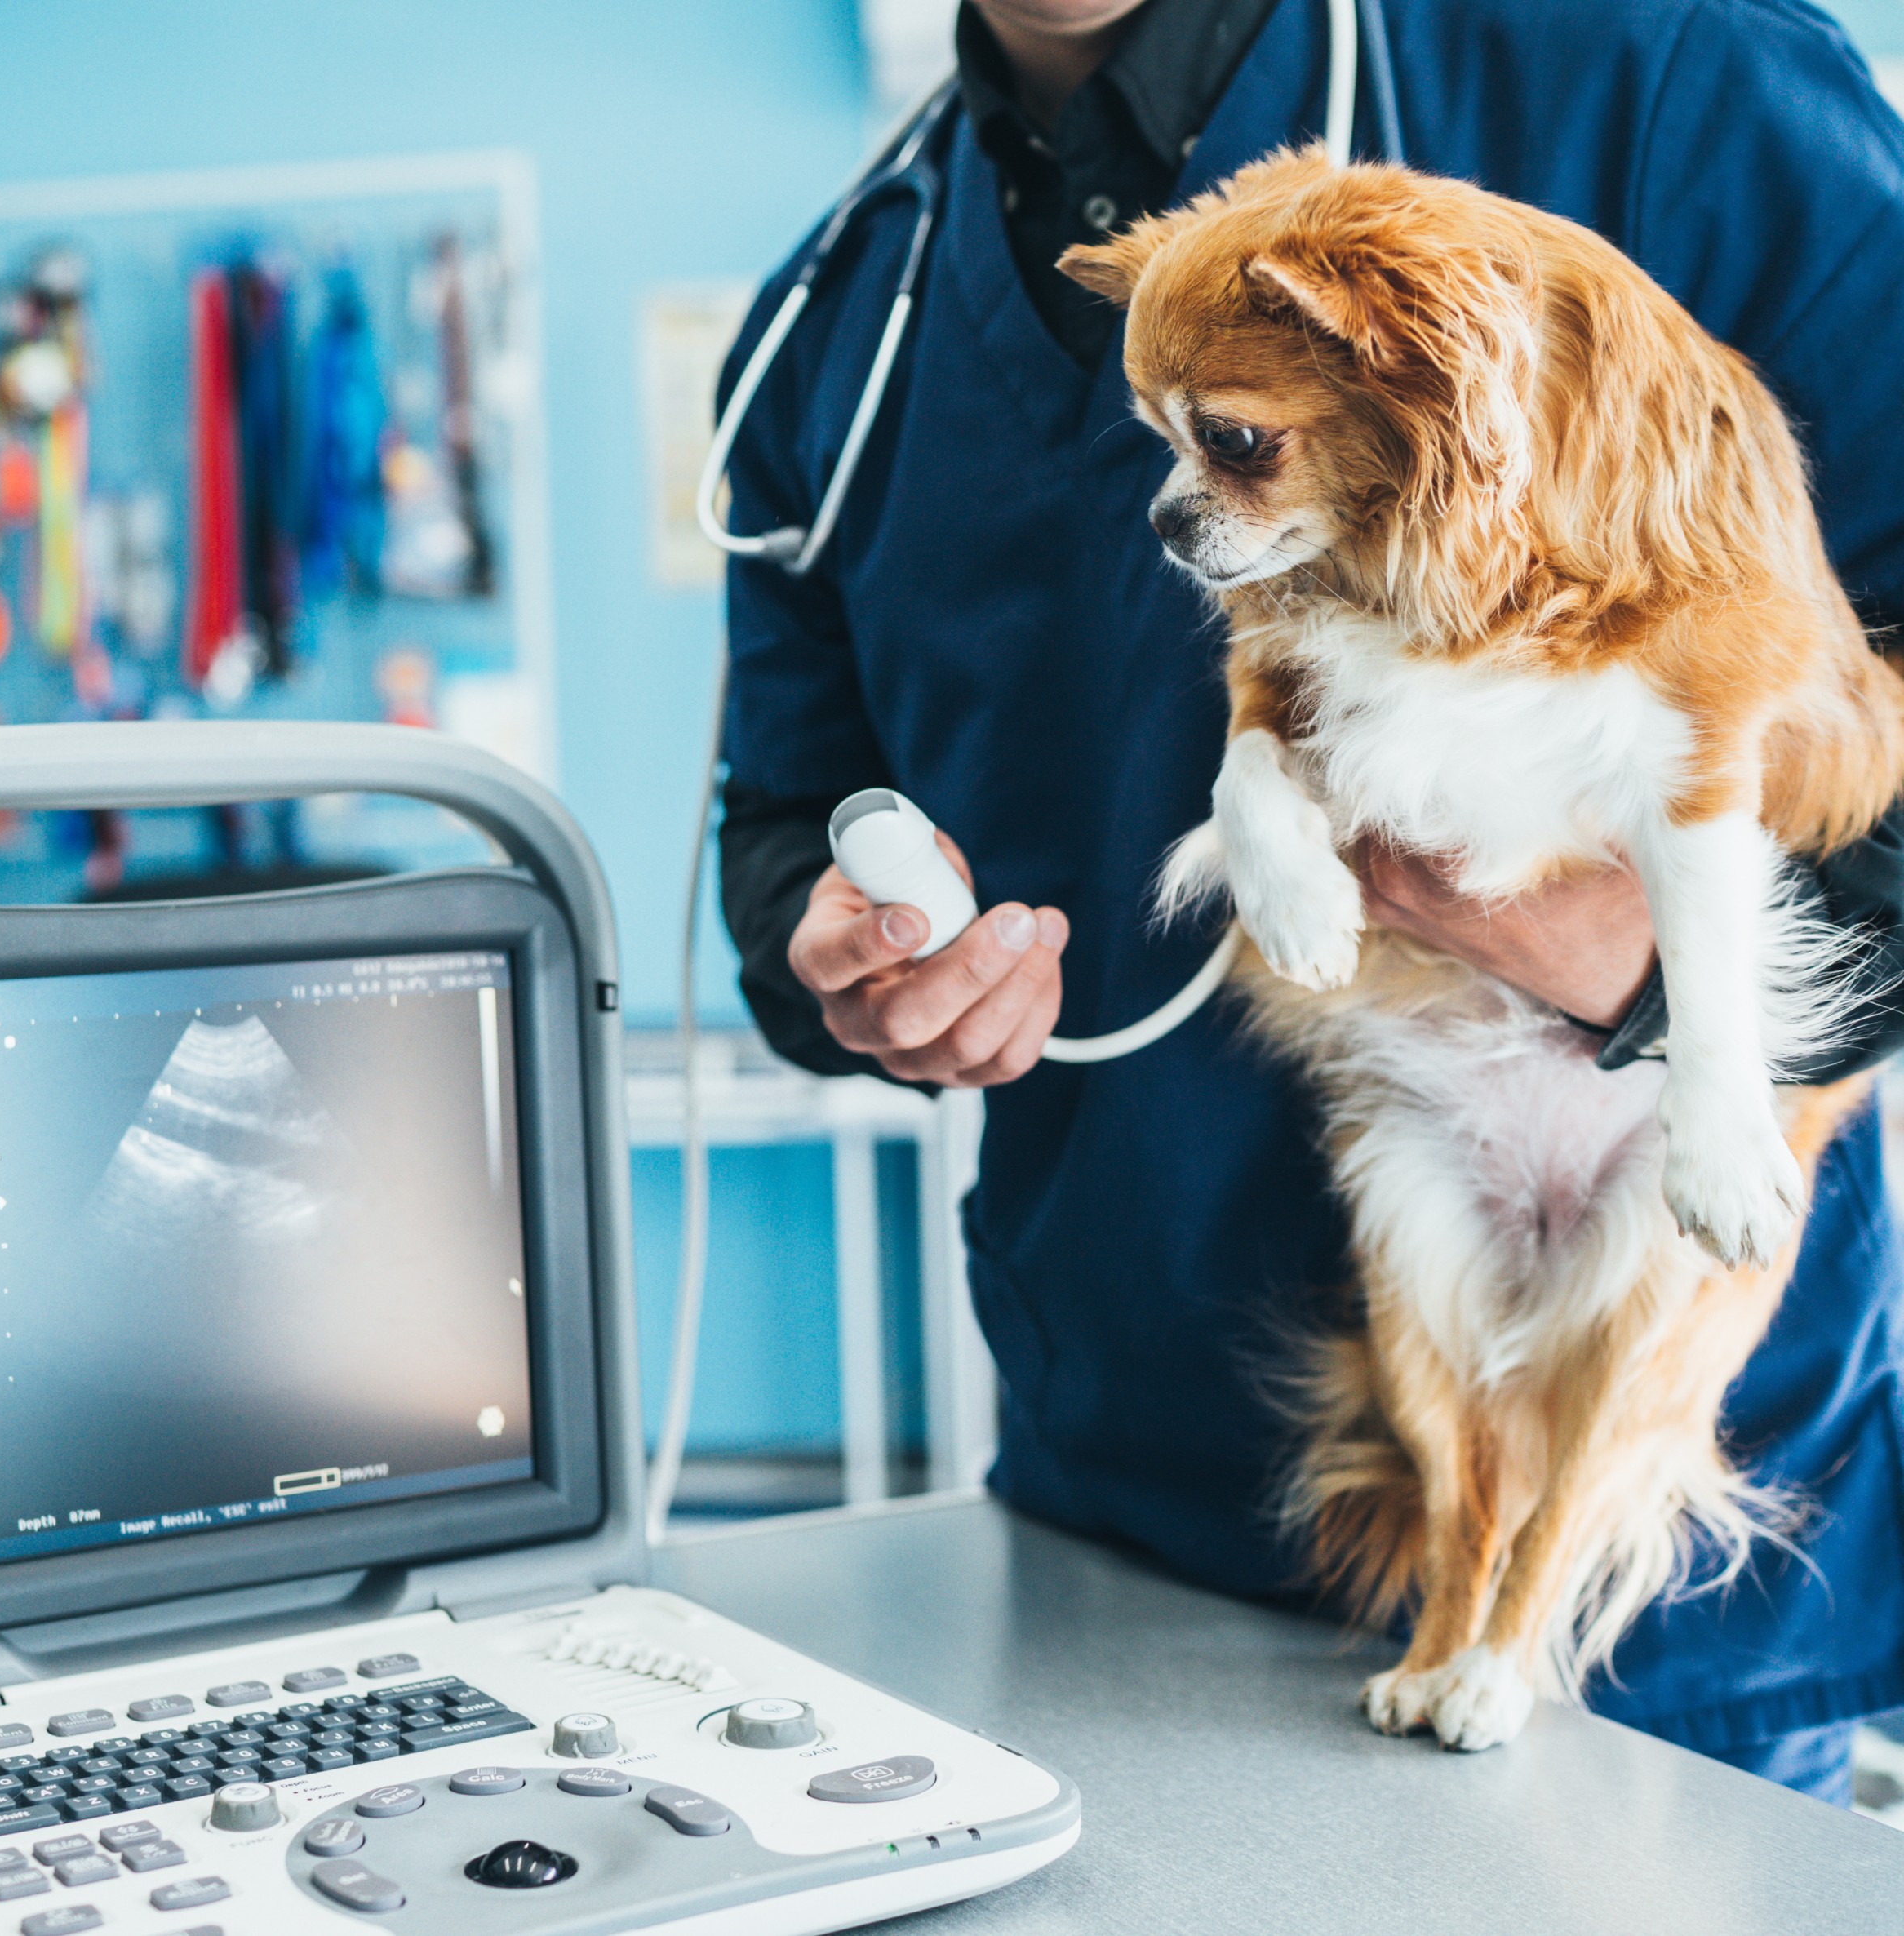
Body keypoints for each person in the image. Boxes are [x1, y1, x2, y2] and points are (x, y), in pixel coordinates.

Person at [716, 0, 1904, 1805]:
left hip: (1668, 1610)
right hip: (1117, 1570)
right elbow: (783, 821)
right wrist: (835, 958)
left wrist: (1643, 969)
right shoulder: (823, 337)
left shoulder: (1669, 83)